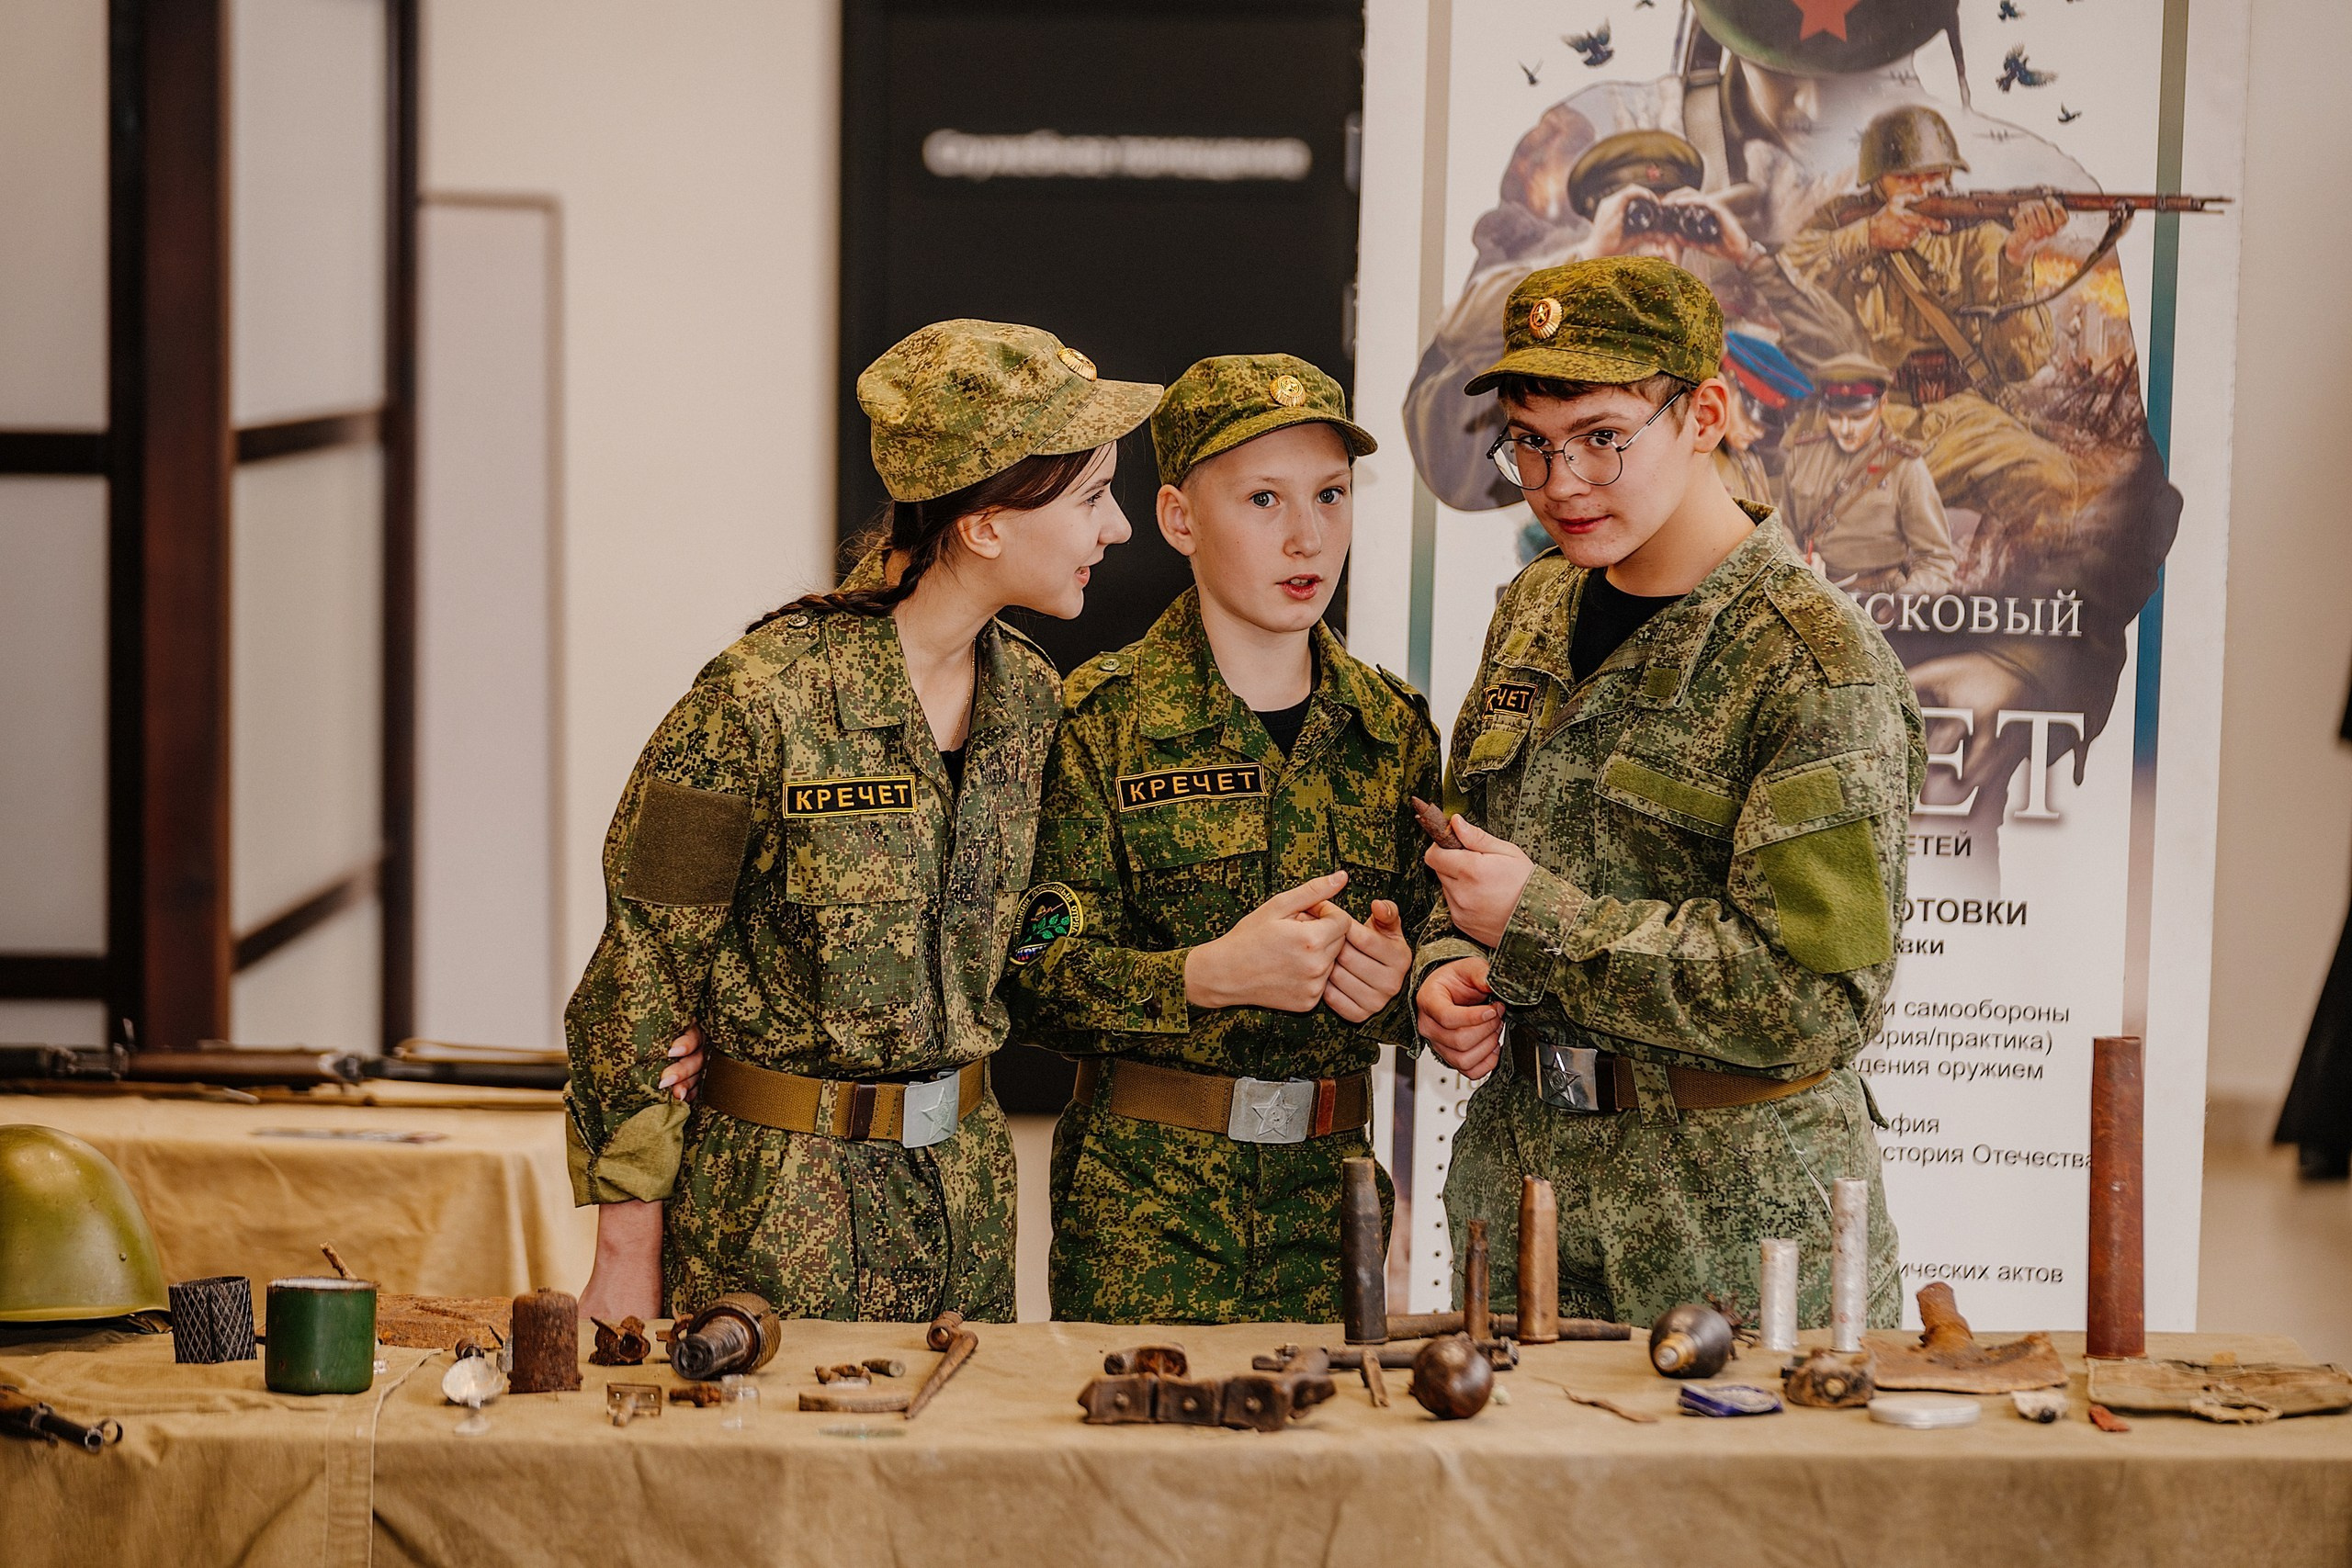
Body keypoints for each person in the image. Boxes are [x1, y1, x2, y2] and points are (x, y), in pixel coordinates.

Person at [566, 319, 1159, 1324]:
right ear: (985, 523)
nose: (1119, 530)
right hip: (779, 1216)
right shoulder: (756, 701)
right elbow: (638, 978)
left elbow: (1030, 932)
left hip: (965, 1202)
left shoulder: (1028, 699)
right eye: (1094, 497)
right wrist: (626, 1253)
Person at [1413, 256, 1923, 1328]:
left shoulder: (1813, 663)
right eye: (1530, 443)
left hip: (1738, 1224)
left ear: (1704, 414)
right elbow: (1474, 856)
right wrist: (1448, 965)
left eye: (1602, 437)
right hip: (1524, 1195)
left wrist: (1535, 922)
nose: (1561, 483)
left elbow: (1813, 1000)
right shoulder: (1535, 608)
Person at [1005, 354, 1442, 1323]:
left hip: (1334, 1206)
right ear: (1178, 520)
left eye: (1330, 495)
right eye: (1262, 499)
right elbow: (1029, 973)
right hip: (1147, 1211)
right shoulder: (1097, 723)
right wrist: (1205, 974)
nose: (1306, 536)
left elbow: (1440, 962)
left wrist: (1402, 979)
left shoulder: (1392, 728)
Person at [1781, 352, 1958, 597]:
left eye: (1858, 417)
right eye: (1835, 416)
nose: (1845, 429)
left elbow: (1935, 560)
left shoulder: (1904, 465)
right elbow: (1782, 527)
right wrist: (1798, 563)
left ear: (1882, 405)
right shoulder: (1803, 454)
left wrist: (1904, 603)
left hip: (1878, 601)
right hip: (1811, 595)